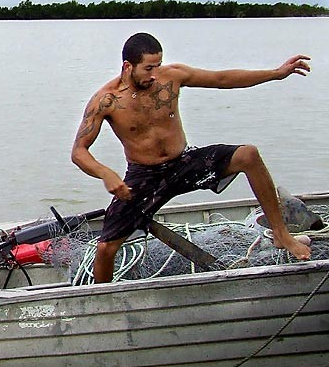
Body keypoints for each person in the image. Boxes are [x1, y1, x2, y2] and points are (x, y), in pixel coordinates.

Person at [71, 32, 311, 283]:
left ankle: (281, 234)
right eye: (148, 68)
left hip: (183, 162)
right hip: (144, 176)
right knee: (105, 248)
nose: (154, 74)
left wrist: (276, 73)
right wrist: (106, 173)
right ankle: (102, 298)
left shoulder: (172, 76)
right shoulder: (106, 100)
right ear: (127, 66)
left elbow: (222, 79)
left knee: (248, 155)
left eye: (158, 65)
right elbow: (79, 152)